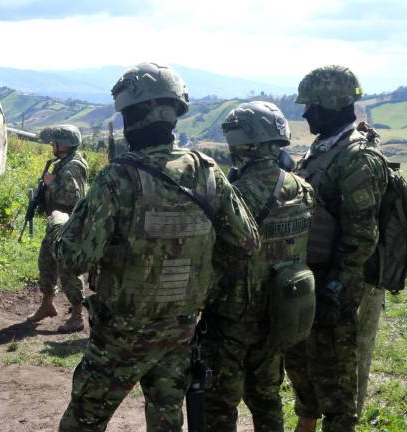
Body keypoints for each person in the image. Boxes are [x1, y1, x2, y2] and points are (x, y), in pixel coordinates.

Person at [54, 62, 260, 431]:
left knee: (82, 422)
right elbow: (247, 241)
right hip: (180, 329)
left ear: (130, 116)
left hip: (121, 334)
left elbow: (74, 257)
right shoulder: (207, 171)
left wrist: (60, 227)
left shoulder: (119, 177)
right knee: (166, 420)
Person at [284, 65, 388, 432]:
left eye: (311, 105)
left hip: (335, 285)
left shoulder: (356, 156)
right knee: (303, 369)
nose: (305, 113)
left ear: (332, 103)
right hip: (310, 279)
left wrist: (336, 290)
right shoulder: (324, 148)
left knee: (337, 386)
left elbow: (361, 236)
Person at [201, 101, 315, 431]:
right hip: (281, 310)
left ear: (243, 144)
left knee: (220, 403)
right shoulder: (304, 190)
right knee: (267, 397)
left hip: (233, 318)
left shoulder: (235, 196)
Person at [26, 125, 89, 333]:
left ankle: (78, 315)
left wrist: (51, 184)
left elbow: (74, 198)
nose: (52, 145)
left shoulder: (72, 166)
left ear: (65, 144)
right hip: (57, 223)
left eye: (55, 142)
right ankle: (47, 305)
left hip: (69, 226)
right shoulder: (63, 163)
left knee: (68, 268)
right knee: (46, 261)